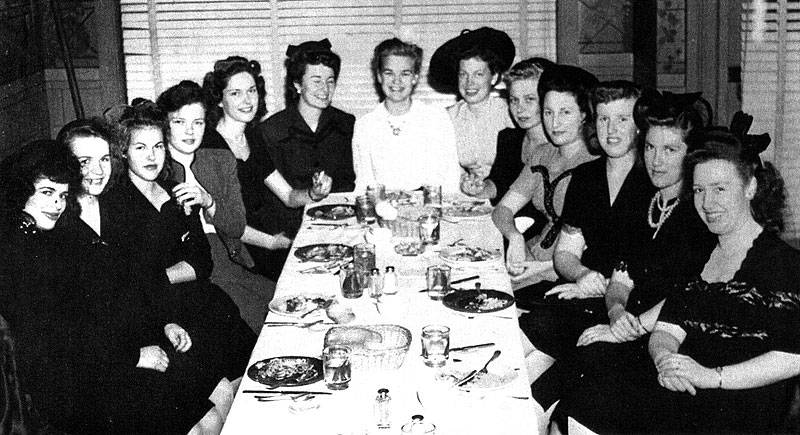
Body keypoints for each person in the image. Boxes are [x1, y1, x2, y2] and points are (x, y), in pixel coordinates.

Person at [553, 128, 800, 434]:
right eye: (698, 190)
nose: (707, 202)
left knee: (593, 401)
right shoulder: (704, 253)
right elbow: (669, 327)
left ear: (750, 187)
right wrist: (664, 359)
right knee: (582, 396)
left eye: (720, 189)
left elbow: (792, 357)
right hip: (686, 382)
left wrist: (713, 376)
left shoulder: (784, 262)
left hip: (739, 398)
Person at [528, 91, 718, 431]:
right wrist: (616, 312)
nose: (657, 160)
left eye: (670, 150)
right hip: (630, 323)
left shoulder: (700, 214)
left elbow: (688, 298)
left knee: (582, 374)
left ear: (691, 156)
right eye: (650, 147)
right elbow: (621, 275)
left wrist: (624, 330)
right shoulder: (646, 201)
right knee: (544, 393)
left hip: (671, 337)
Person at [54, 120, 232, 434]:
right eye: (84, 161)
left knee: (221, 392)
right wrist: (135, 356)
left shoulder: (113, 212)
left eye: (104, 159)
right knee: (202, 425)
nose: (97, 170)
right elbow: (72, 330)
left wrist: (166, 321)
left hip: (136, 341)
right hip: (101, 372)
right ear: (65, 167)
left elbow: (137, 283)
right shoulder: (61, 228)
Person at [102, 101, 256, 399]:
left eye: (159, 146)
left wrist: (155, 275)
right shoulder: (115, 206)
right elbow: (129, 281)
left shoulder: (178, 191)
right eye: (140, 148)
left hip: (203, 302)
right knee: (219, 391)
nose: (152, 156)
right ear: (123, 151)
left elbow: (203, 263)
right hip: (159, 315)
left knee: (249, 379)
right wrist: (172, 274)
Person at [516, 80, 654, 386]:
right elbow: (565, 253)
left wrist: (597, 287)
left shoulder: (653, 181)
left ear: (640, 126)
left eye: (622, 119)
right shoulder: (585, 177)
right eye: (604, 119)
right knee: (519, 349)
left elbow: (643, 272)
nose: (611, 130)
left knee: (535, 347)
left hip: (628, 308)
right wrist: (581, 274)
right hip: (586, 292)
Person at [157, 80, 278, 332]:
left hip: (233, 258)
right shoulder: (156, 169)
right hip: (197, 270)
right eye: (179, 122)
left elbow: (236, 225)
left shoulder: (221, 160)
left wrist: (208, 201)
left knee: (283, 306)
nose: (190, 131)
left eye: (198, 122)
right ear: (165, 125)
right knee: (258, 324)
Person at [202, 56, 314, 280]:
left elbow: (289, 196)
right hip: (237, 250)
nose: (247, 100)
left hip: (264, 240)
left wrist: (314, 193)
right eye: (235, 93)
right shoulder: (210, 145)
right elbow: (223, 221)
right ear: (219, 99)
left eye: (251, 91)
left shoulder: (253, 137)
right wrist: (272, 243)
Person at [491, 63, 598, 288]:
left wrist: (537, 269)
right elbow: (502, 209)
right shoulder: (542, 154)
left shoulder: (595, 163)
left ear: (584, 115)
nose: (554, 123)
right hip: (532, 258)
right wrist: (515, 237)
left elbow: (596, 251)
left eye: (565, 112)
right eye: (548, 113)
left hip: (566, 274)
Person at [253, 39, 355, 238]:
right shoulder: (271, 131)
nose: (325, 89)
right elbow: (274, 200)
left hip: (344, 227)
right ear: (297, 84)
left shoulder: (347, 124)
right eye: (316, 81)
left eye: (330, 80)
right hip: (293, 234)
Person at [352, 38, 462, 192]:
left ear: (415, 77)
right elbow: (364, 182)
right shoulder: (365, 125)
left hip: (428, 208)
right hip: (383, 209)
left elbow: (451, 179)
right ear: (379, 76)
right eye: (389, 73)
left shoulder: (436, 118)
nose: (396, 81)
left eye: (405, 73)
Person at [429, 27, 516, 178]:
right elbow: (440, 164)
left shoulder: (510, 114)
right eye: (463, 74)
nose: (469, 82)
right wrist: (463, 175)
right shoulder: (448, 118)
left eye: (479, 74)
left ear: (494, 77)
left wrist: (495, 175)